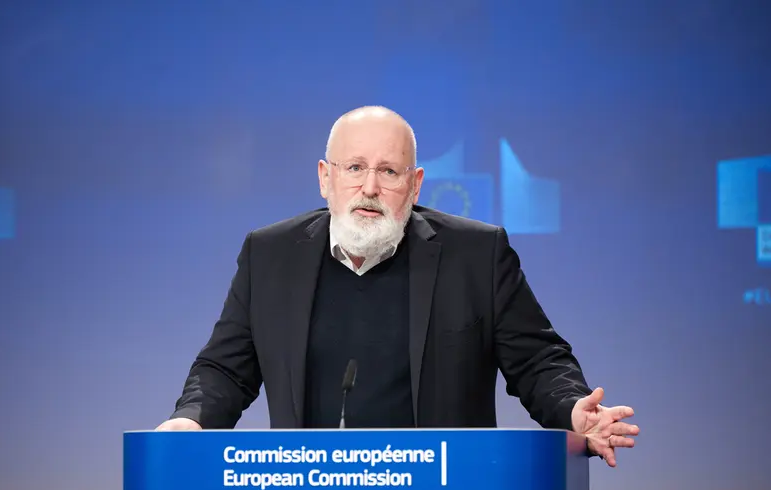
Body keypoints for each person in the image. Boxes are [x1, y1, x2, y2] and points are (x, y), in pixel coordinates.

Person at [156, 105, 639, 467]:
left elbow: (537, 360)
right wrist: (191, 419)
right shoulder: (270, 255)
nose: (370, 187)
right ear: (325, 178)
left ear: (415, 185)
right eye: (355, 168)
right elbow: (226, 368)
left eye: (389, 171)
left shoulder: (476, 255)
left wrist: (574, 408)